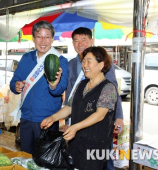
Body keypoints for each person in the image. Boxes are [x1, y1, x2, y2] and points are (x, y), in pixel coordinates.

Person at [41, 46, 117, 170]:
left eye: (89, 61)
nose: (84, 65)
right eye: (83, 61)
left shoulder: (108, 88)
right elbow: (70, 107)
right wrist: (53, 117)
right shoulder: (82, 85)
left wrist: (75, 127)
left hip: (95, 146)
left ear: (101, 65)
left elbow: (100, 115)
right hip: (76, 143)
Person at [64, 27, 124, 170]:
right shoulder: (71, 64)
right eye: (76, 41)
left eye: (84, 40)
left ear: (92, 40)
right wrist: (67, 121)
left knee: (101, 161)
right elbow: (70, 96)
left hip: (98, 130)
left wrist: (119, 116)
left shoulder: (102, 62)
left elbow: (112, 90)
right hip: (78, 125)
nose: (80, 44)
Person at [10, 20, 68, 154]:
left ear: (53, 39)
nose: (43, 41)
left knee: (45, 160)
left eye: (47, 37)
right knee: (25, 157)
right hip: (25, 118)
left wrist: (54, 85)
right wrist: (16, 86)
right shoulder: (26, 58)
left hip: (47, 120)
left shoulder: (61, 61)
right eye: (39, 36)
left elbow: (60, 89)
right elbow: (14, 81)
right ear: (33, 38)